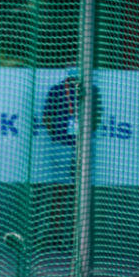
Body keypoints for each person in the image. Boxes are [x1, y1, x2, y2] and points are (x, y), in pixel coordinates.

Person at [42, 68, 101, 249]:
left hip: (79, 147)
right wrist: (58, 137)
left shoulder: (91, 91)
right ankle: (59, 236)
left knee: (78, 193)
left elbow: (97, 117)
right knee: (62, 191)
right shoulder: (57, 90)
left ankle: (75, 237)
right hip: (64, 146)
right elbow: (47, 118)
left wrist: (82, 135)